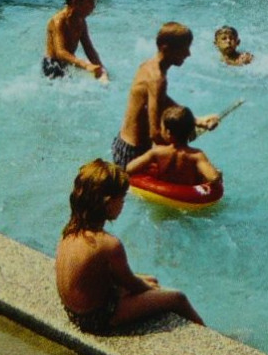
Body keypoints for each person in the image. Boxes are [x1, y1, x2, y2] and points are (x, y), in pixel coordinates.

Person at [54, 159, 205, 334]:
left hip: (74, 312)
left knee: (150, 280)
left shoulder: (70, 233)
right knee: (177, 298)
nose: (123, 204)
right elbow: (133, 285)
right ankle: (209, 337)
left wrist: (147, 284)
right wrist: (153, 291)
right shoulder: (109, 244)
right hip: (97, 318)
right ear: (108, 203)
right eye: (122, 199)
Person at [112, 22, 220, 167]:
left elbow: (161, 100)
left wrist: (195, 120)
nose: (188, 54)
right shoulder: (157, 79)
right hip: (133, 154)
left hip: (123, 143)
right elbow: (155, 133)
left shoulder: (149, 65)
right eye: (184, 48)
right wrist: (182, 145)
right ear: (166, 48)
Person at [126, 105, 221, 188]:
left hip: (162, 194)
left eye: (161, 127)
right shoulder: (196, 155)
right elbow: (214, 178)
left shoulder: (157, 152)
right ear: (191, 131)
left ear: (168, 133)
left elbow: (129, 168)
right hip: (187, 199)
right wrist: (217, 174)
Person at [42, 0, 107, 80]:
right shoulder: (58, 21)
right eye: (90, 2)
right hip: (52, 65)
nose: (93, 6)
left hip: (67, 63)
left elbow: (89, 49)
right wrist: (85, 65)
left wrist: (101, 68)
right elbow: (60, 52)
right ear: (76, 2)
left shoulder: (81, 22)